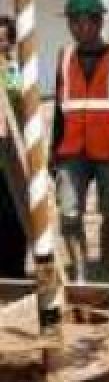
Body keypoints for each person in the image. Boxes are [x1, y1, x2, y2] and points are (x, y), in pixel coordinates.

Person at [53, 0, 109, 282]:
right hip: (71, 150)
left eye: (84, 21)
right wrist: (54, 154)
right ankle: (80, 271)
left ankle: (108, 269)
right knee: (68, 214)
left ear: (99, 22)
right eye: (73, 22)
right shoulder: (64, 58)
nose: (78, 28)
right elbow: (59, 110)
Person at [0, 15, 26, 278]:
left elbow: (20, 106)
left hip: (10, 152)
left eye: (3, 43)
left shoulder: (13, 72)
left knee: (14, 212)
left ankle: (14, 270)